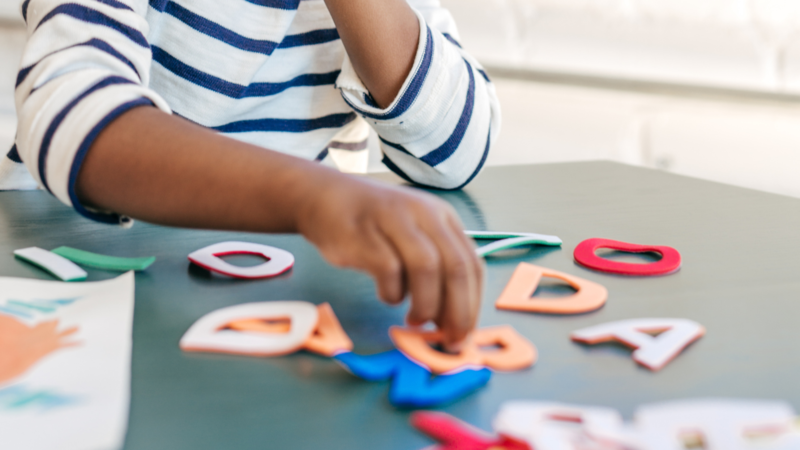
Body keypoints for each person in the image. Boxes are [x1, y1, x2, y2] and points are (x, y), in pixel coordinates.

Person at [8, 0, 501, 350]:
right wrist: (314, 197)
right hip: (76, 266)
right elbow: (70, 113)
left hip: (282, 285)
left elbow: (457, 148)